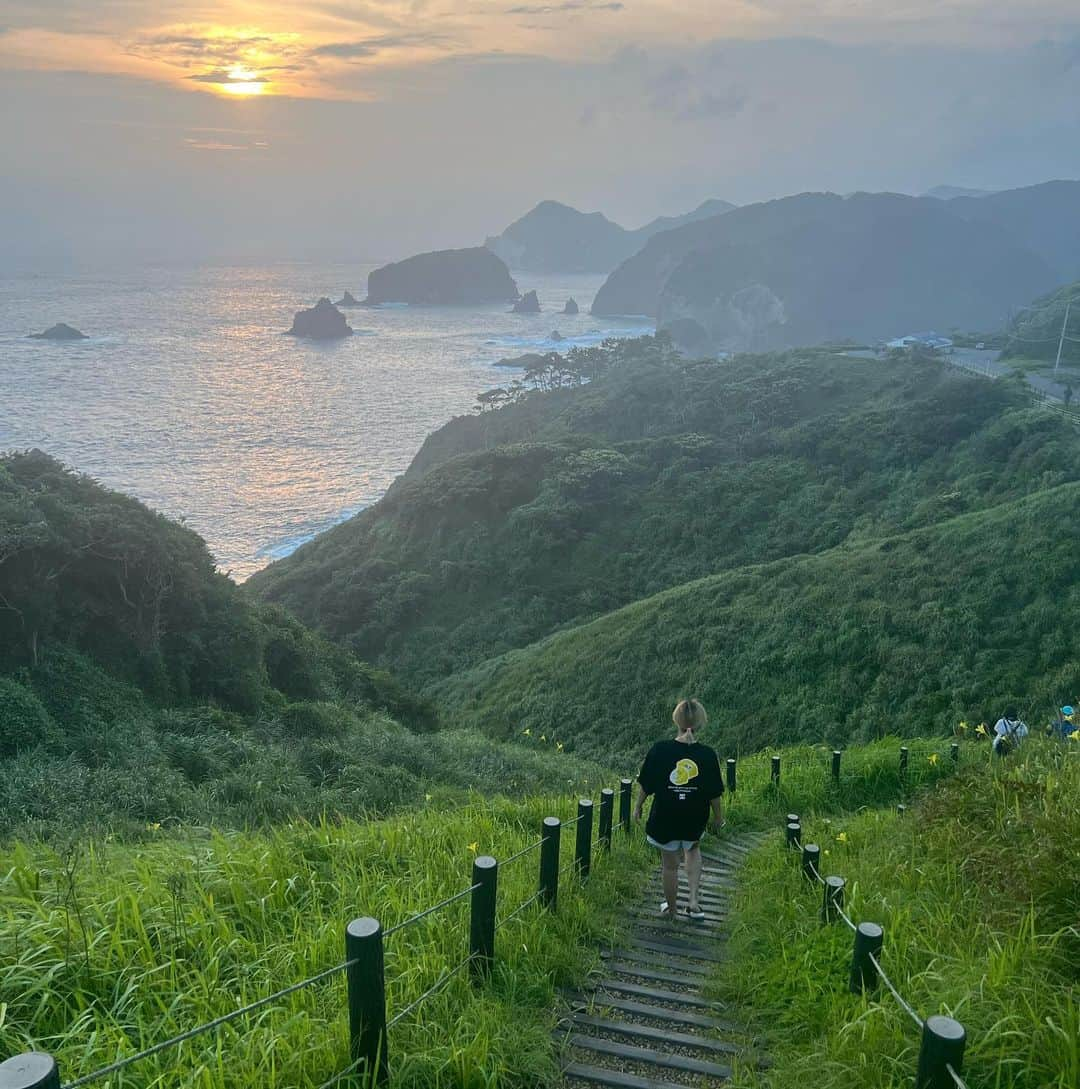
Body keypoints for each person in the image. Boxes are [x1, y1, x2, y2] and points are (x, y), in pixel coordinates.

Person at [633, 698, 725, 920]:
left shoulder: (660, 750)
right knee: (693, 850)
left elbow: (647, 784)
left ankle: (672, 911)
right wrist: (718, 818)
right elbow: (714, 793)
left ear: (677, 720)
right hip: (694, 816)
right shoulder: (707, 755)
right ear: (700, 722)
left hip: (665, 816)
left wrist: (637, 807)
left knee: (670, 865)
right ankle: (693, 902)